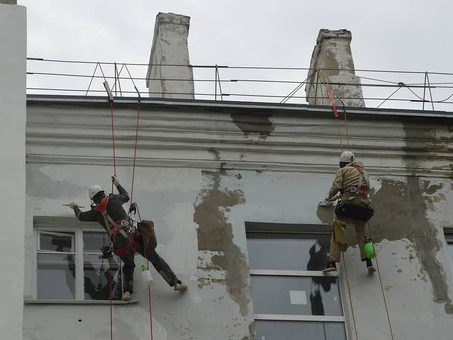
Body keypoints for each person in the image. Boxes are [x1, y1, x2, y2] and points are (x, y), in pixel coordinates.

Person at [68, 175, 187, 301]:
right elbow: (126, 196)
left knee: (129, 265)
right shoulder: (114, 199)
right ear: (103, 193)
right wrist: (117, 184)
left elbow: (80, 216)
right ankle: (175, 283)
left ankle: (127, 293)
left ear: (94, 200)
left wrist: (74, 206)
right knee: (154, 258)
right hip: (132, 236)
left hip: (120, 245)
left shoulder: (96, 212)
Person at [321, 151, 376, 274]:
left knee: (338, 229)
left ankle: (332, 262)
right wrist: (338, 197)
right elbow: (356, 190)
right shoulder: (364, 173)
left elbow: (336, 186)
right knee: (362, 233)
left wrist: (328, 197)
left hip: (348, 204)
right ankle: (369, 262)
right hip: (363, 205)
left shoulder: (343, 170)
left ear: (342, 163)